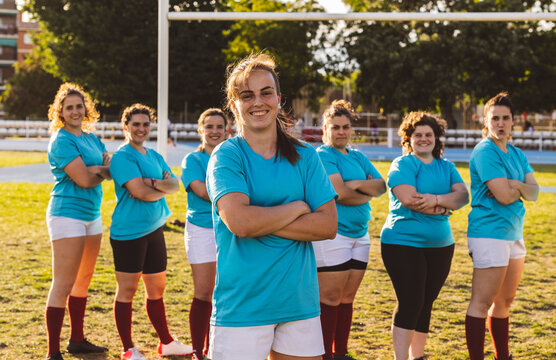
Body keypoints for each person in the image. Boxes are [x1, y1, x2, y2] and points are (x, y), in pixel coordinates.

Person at [205, 53, 338, 360]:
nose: (258, 102)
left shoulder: (305, 155)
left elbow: (328, 225)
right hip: (243, 306)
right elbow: (241, 223)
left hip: (298, 303)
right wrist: (298, 207)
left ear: (279, 98)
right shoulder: (227, 157)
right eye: (246, 95)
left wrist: (261, 219)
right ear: (234, 104)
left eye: (266, 92)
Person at [381, 112, 469, 360]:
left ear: (436, 137)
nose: (423, 139)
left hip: (441, 245)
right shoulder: (403, 165)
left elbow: (463, 196)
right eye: (417, 134)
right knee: (411, 302)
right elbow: (410, 199)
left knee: (426, 302)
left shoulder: (447, 167)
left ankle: (417, 357)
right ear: (409, 139)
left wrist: (437, 200)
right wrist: (444, 207)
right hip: (402, 243)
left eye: (428, 134)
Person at [109, 104, 193, 360]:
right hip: (128, 232)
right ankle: (128, 348)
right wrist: (157, 186)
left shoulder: (154, 155)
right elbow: (141, 193)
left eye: (145, 124)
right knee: (127, 291)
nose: (141, 128)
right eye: (135, 124)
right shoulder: (123, 157)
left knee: (156, 290)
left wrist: (152, 182)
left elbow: (175, 184)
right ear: (126, 126)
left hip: (155, 229)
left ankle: (166, 342)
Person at [465, 92, 539, 360]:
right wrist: (520, 187)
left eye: (505, 118)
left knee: (504, 302)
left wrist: (517, 185)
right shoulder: (485, 151)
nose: (500, 123)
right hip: (489, 233)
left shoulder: (517, 153)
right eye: (494, 118)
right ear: (485, 121)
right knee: (482, 302)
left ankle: (502, 356)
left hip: (514, 232)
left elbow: (534, 192)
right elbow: (504, 196)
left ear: (512, 121)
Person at [314, 100, 386, 360]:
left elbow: (381, 187)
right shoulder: (323, 155)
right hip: (335, 234)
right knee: (331, 297)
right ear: (325, 129)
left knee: (347, 297)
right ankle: (324, 354)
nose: (341, 131)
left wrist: (354, 185)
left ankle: (340, 352)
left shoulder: (358, 156)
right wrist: (360, 189)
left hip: (360, 234)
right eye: (335, 127)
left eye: (345, 127)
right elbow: (339, 193)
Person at [44, 83, 111, 360]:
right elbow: (84, 179)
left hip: (92, 215)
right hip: (66, 215)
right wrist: (99, 170)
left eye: (78, 106)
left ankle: (77, 340)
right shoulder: (61, 140)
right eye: (68, 107)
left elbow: (109, 165)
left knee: (82, 281)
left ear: (86, 109)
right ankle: (53, 351)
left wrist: (96, 169)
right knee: (63, 283)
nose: (74, 111)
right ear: (60, 111)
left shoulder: (91, 138)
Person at [181, 108, 228, 359]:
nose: (214, 131)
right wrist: (234, 197)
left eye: (219, 126)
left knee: (225, 290)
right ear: (201, 130)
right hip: (200, 229)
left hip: (229, 229)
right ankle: (198, 351)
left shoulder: (232, 157)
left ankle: (216, 349)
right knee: (203, 292)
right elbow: (204, 193)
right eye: (209, 127)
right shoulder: (193, 160)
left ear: (226, 130)